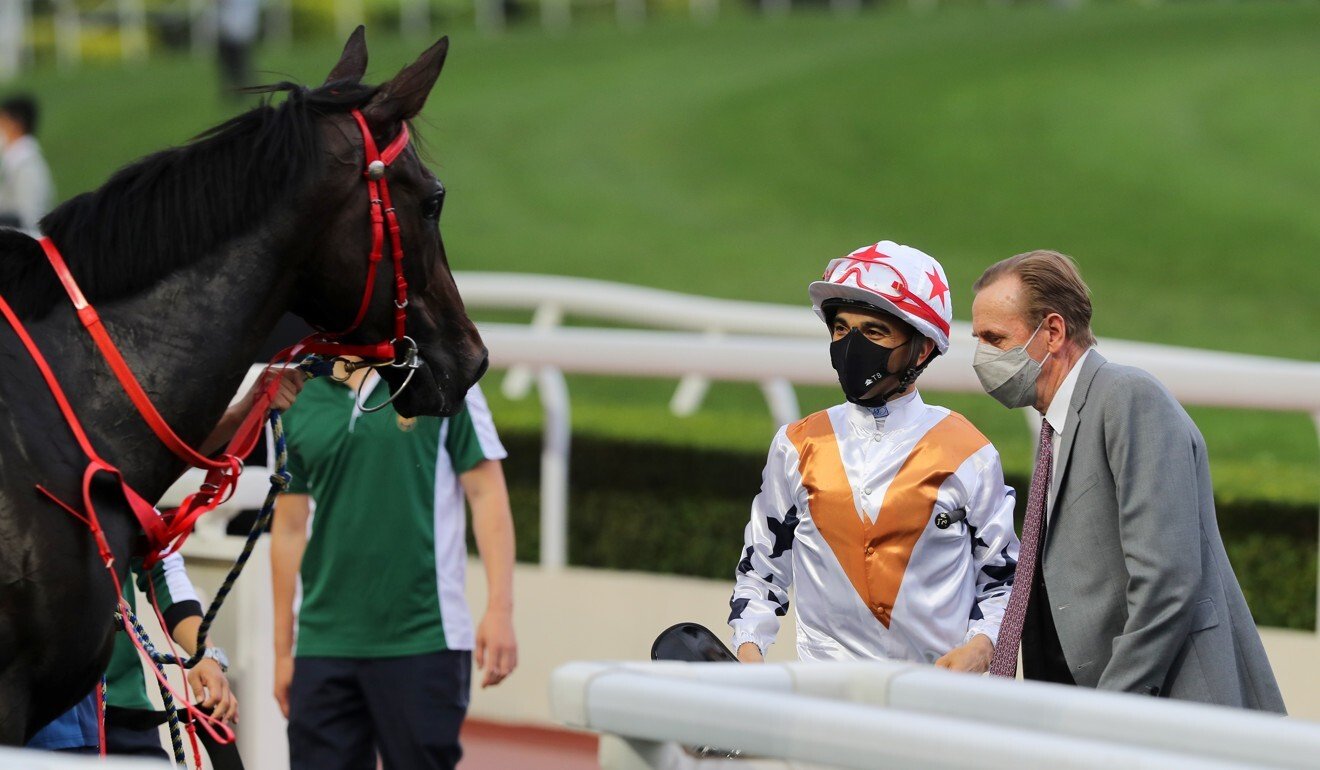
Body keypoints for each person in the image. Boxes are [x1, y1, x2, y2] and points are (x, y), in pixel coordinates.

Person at [970, 249, 1285, 711]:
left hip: (1164, 713)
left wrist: (1110, 711)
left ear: (1053, 332)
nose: (982, 358)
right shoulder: (1057, 424)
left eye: (994, 339)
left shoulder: (1128, 398)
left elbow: (1166, 581)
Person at [729, 241, 1019, 669]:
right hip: (822, 704)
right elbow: (760, 573)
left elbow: (1003, 582)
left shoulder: (969, 452)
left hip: (937, 708)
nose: (851, 346)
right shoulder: (796, 445)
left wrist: (981, 648)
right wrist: (750, 657)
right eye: (842, 329)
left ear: (922, 349)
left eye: (874, 331)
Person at [271, 366, 518, 770]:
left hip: (425, 638)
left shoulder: (441, 375)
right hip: (322, 643)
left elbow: (486, 492)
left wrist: (500, 610)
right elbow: (289, 527)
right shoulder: (296, 388)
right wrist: (283, 652)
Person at [0, 94, 54, 234]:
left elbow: (28, 221)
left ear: (15, 124)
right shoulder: (18, 165)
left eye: (2, 122)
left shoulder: (29, 168)